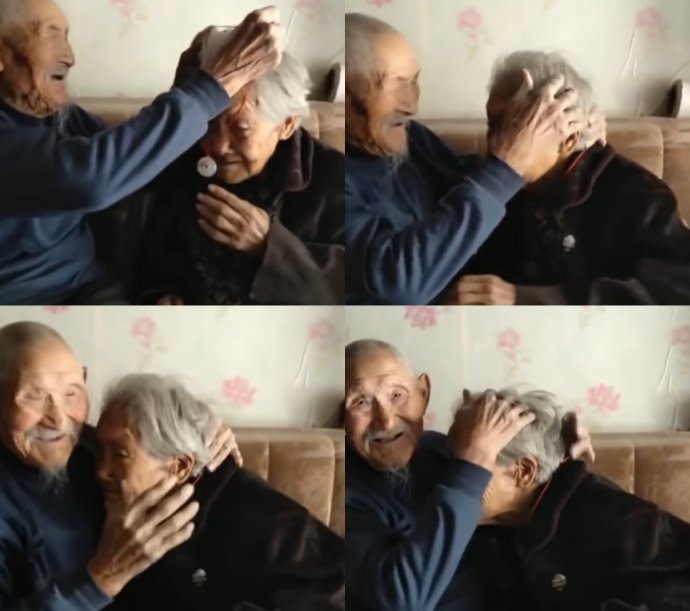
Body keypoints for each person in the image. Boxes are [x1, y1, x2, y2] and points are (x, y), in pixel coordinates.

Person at [0, 0, 284, 305]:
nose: (69, 57)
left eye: (66, 37)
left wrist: (191, 83)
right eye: (52, 34)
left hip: (90, 289)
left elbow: (131, 159)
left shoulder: (57, 116)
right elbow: (91, 179)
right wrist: (211, 86)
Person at [344, 14, 585, 305]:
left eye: (414, 81)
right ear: (348, 92)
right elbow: (393, 284)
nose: (412, 105)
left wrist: (568, 146)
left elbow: (469, 178)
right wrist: (508, 165)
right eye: (397, 83)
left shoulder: (411, 138)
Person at [0, 321, 239, 609]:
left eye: (72, 393)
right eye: (34, 396)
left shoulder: (92, 445)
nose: (59, 419)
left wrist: (205, 434)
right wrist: (101, 579)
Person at [343, 339, 594, 611]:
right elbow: (399, 603)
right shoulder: (347, 492)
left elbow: (521, 501)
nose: (387, 420)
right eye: (361, 402)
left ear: (423, 393)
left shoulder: (441, 447)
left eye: (397, 395)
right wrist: (470, 467)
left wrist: (561, 455)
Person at [448, 51, 690, 305]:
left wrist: (522, 298)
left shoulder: (639, 194)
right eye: (492, 125)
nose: (496, 143)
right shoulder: (489, 182)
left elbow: (676, 290)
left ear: (569, 138)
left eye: (516, 126)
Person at [96, 373, 345, 610]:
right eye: (100, 450)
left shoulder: (270, 522)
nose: (101, 471)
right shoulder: (114, 504)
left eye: (120, 454)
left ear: (180, 467)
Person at [135, 47, 344, 305]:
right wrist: (158, 294)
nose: (217, 146)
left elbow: (350, 291)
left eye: (241, 129)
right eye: (207, 124)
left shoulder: (336, 179)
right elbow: (147, 255)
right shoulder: (183, 158)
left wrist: (269, 247)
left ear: (286, 125)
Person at [455, 388, 690, 610]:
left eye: (470, 463)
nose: (452, 479)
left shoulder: (616, 518)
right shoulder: (495, 525)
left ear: (524, 472)